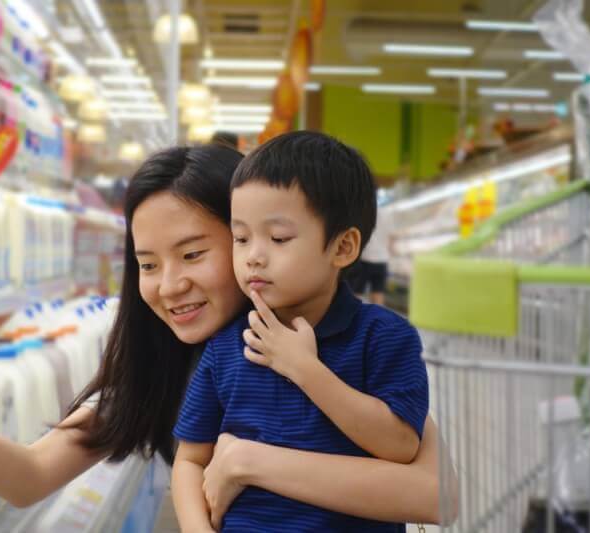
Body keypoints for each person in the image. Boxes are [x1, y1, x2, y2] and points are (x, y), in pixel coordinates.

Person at [0, 144, 454, 529]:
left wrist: (246, 461)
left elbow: (435, 494)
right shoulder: (161, 375)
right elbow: (28, 477)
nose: (170, 285)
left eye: (194, 254)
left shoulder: (342, 346)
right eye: (148, 264)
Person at [171, 132, 428, 532]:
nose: (253, 255)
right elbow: (190, 459)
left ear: (342, 247)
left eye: (278, 238)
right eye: (240, 238)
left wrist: (304, 369)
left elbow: (400, 446)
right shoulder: (226, 345)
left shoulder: (383, 337)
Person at [349, 204, 392, 306]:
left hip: (365, 259)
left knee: (356, 293)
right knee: (378, 293)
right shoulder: (387, 214)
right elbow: (391, 238)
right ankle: (377, 319)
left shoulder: (363, 213)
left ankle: (354, 320)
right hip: (382, 260)